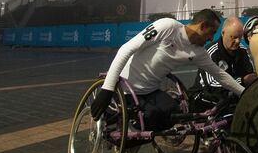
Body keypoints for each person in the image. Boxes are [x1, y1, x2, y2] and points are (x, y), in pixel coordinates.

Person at [90, 9, 244, 130]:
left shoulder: (198, 52)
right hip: (126, 88)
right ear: (202, 26)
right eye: (211, 33)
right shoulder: (167, 26)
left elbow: (220, 75)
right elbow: (126, 49)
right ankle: (123, 125)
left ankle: (134, 131)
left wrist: (243, 93)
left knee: (175, 114)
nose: (211, 39)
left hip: (150, 91)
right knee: (152, 114)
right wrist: (107, 88)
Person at [195, 17, 257, 93]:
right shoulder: (210, 52)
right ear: (223, 33)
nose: (237, 41)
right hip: (205, 98)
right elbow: (211, 85)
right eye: (233, 37)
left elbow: (250, 75)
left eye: (240, 37)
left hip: (232, 97)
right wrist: (241, 81)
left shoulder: (243, 50)